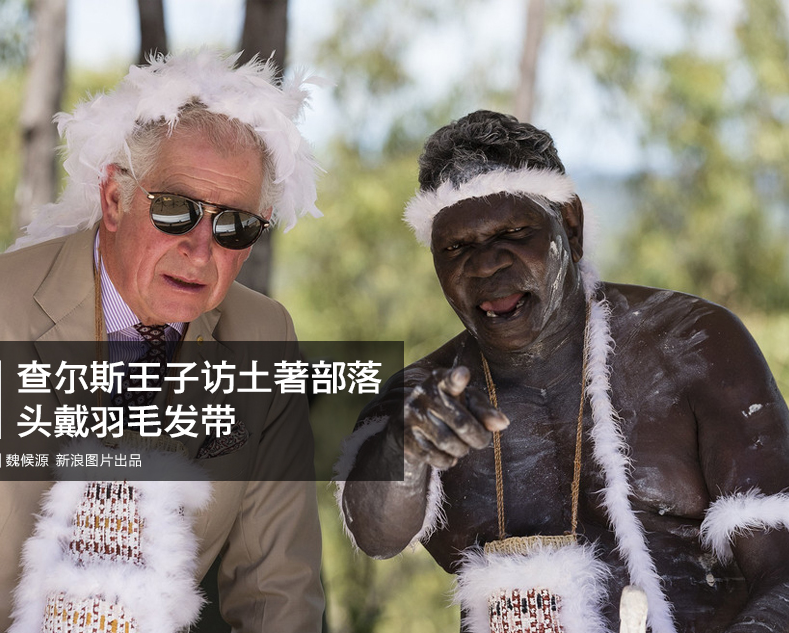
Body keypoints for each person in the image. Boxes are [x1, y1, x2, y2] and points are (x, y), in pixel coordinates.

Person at [0, 50, 324, 632]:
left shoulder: (267, 339)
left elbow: (278, 592)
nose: (201, 251)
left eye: (234, 225)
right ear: (115, 198)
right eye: (176, 210)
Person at [336, 110, 789, 632]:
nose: (485, 265)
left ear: (570, 227)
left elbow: (782, 567)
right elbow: (374, 532)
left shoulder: (692, 345)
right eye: (456, 247)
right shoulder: (423, 400)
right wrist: (405, 448)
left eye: (513, 232)